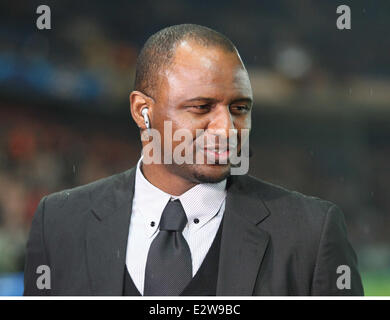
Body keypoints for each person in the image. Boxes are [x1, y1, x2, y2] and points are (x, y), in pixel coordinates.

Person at [24, 24, 364, 296]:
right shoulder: (59, 221)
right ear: (143, 111)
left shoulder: (311, 232)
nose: (227, 129)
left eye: (239, 109)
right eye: (201, 108)